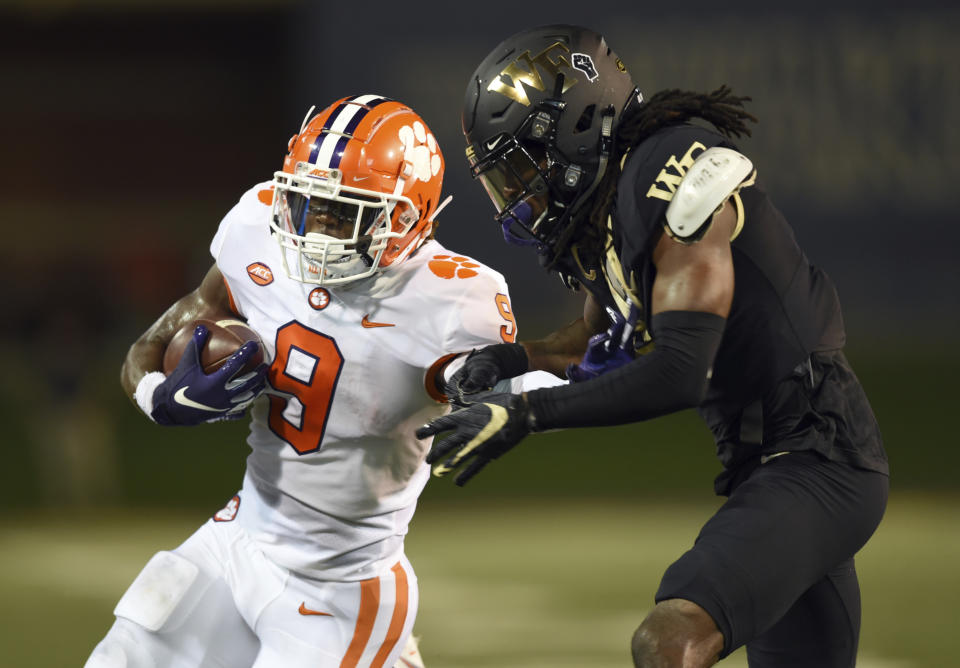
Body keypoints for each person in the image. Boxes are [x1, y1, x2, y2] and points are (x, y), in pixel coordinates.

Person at [417, 25, 889, 668]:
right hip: (771, 463)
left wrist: (527, 415)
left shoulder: (672, 173)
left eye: (526, 166)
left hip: (818, 452)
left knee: (668, 641)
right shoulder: (611, 209)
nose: (521, 193)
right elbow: (595, 339)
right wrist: (514, 361)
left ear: (578, 127)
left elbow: (678, 370)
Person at [86, 94, 560, 668]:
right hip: (239, 537)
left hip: (343, 581)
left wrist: (517, 394)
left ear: (407, 217)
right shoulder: (259, 225)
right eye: (307, 203)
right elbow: (151, 346)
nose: (316, 229)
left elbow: (508, 389)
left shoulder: (451, 296)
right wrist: (159, 397)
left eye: (344, 213)